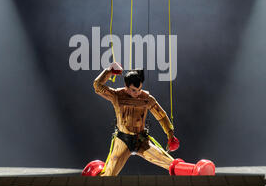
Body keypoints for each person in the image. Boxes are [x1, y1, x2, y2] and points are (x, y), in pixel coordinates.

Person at [82, 62, 215, 176]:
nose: (138, 93)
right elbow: (97, 86)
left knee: (168, 162)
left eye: (139, 89)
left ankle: (195, 170)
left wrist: (170, 134)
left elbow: (161, 115)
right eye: (134, 90)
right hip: (122, 140)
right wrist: (109, 70)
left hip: (141, 140)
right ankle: (95, 171)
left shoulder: (146, 98)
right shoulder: (117, 96)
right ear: (126, 87)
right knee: (109, 175)